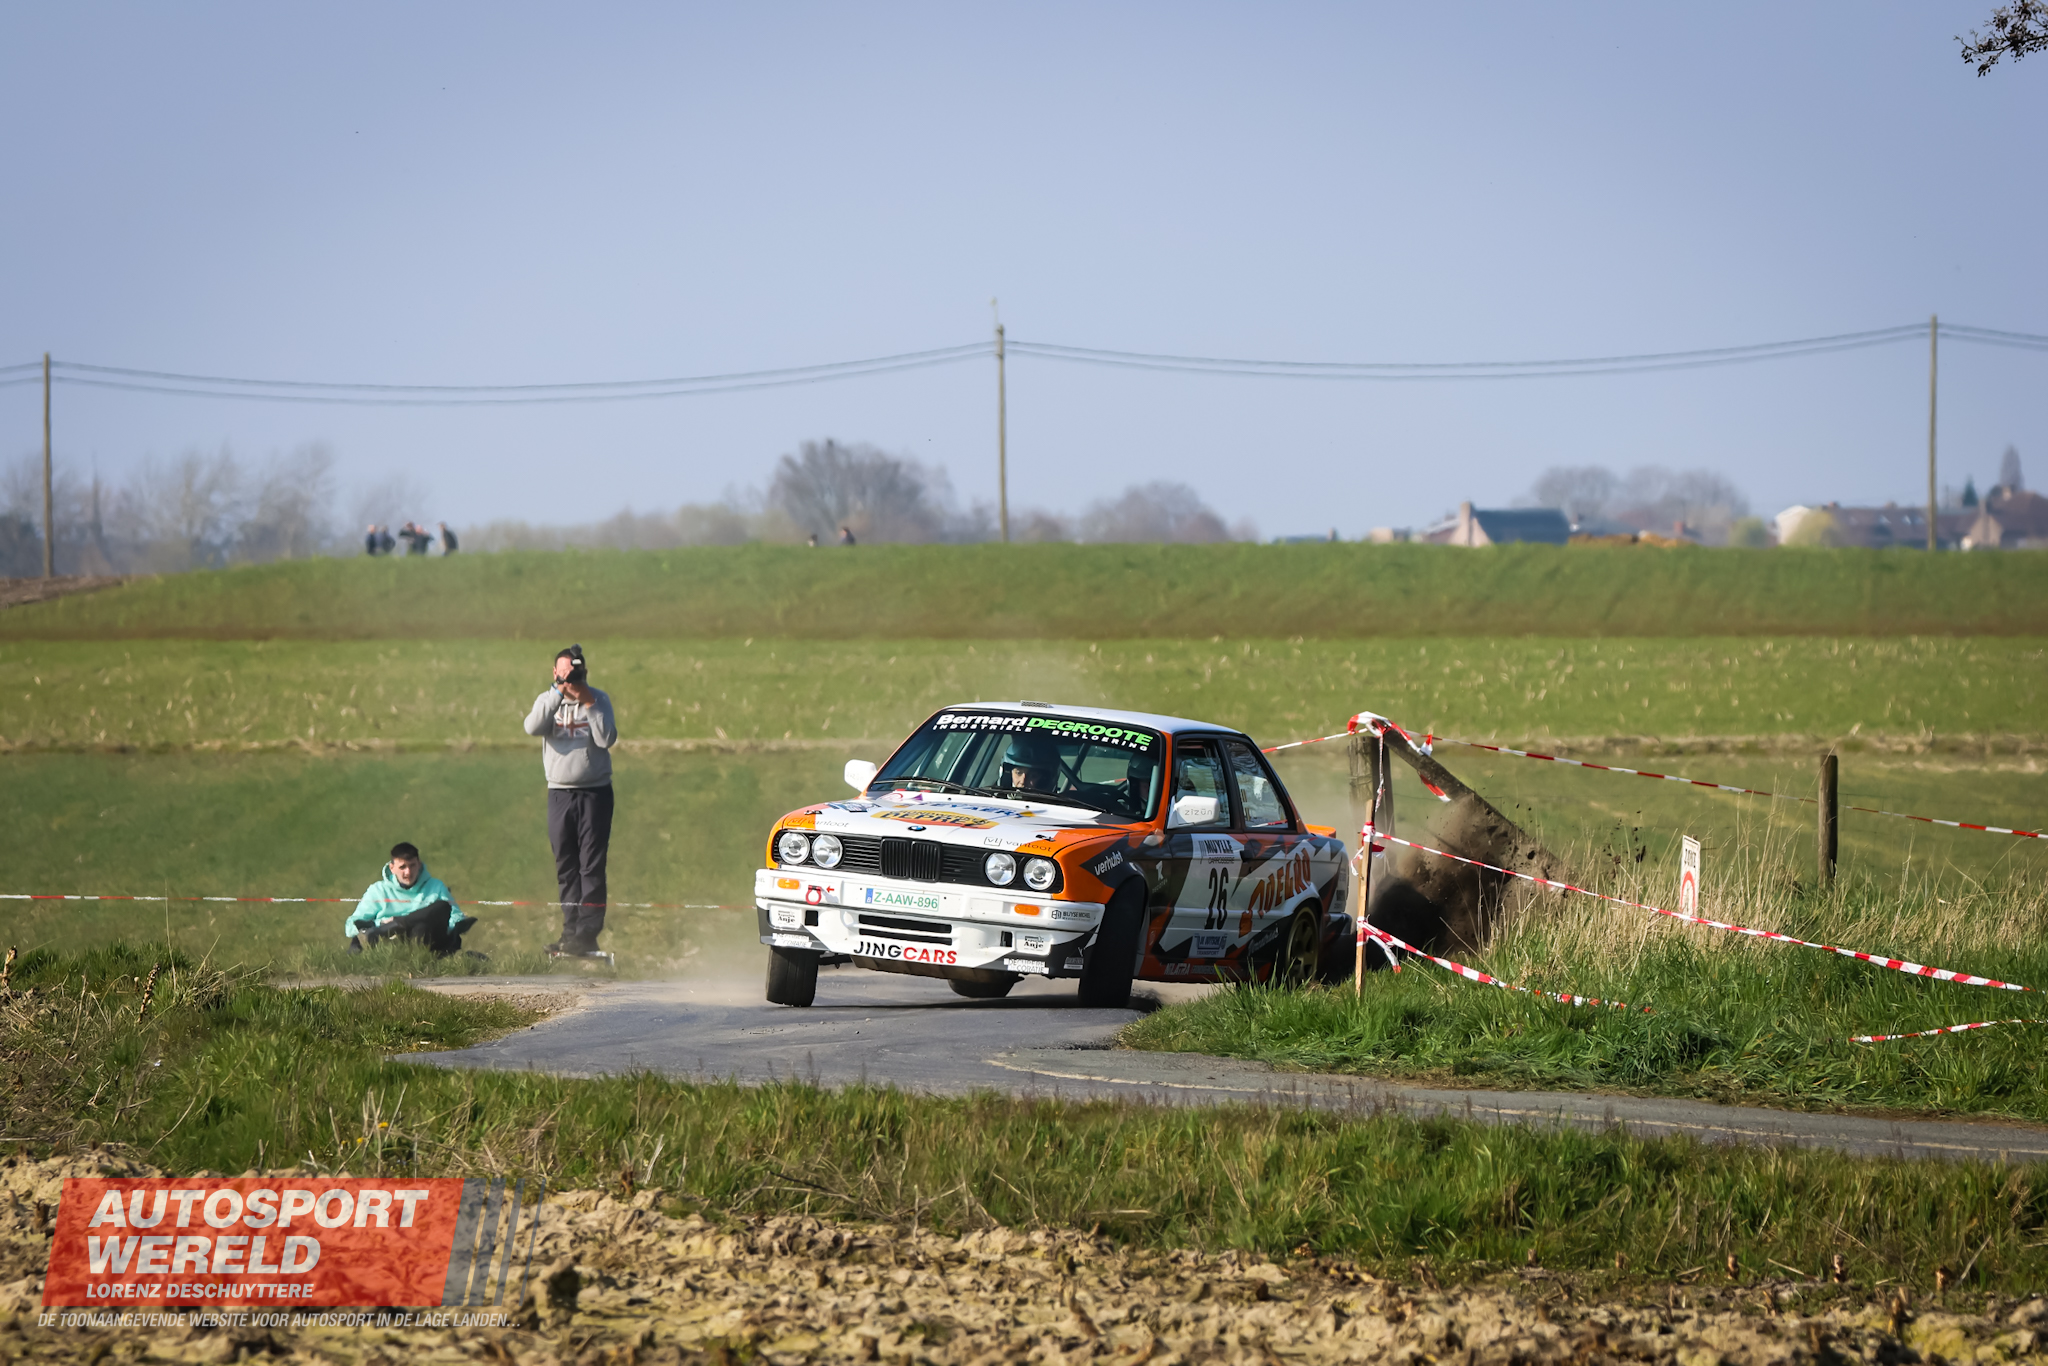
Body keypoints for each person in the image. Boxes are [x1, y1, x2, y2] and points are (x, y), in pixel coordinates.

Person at [523, 644, 619, 955]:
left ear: (585, 672)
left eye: (575, 673)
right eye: (564, 674)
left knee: (591, 866)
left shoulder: (598, 699)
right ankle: (570, 931)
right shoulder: (547, 700)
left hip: (595, 793)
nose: (570, 680)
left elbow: (606, 738)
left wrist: (588, 702)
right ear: (555, 673)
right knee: (566, 865)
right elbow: (532, 727)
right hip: (559, 793)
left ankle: (587, 933)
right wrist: (557, 693)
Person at [345, 841, 475, 956]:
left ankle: (397, 924)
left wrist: (396, 922)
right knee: (423, 923)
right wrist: (382, 923)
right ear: (392, 868)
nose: (408, 872)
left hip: (428, 940)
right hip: (392, 943)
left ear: (419, 864)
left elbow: (456, 917)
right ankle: (392, 929)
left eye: (412, 865)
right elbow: (351, 926)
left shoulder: (436, 886)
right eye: (402, 867)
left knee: (441, 907)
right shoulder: (377, 890)